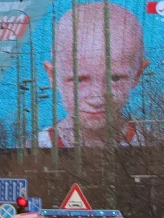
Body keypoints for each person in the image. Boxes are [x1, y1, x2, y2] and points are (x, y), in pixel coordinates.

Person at [41, 2, 148, 148]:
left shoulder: (155, 142)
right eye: (79, 80)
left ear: (137, 75)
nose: (97, 98)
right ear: (53, 76)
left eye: (114, 78)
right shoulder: (36, 145)